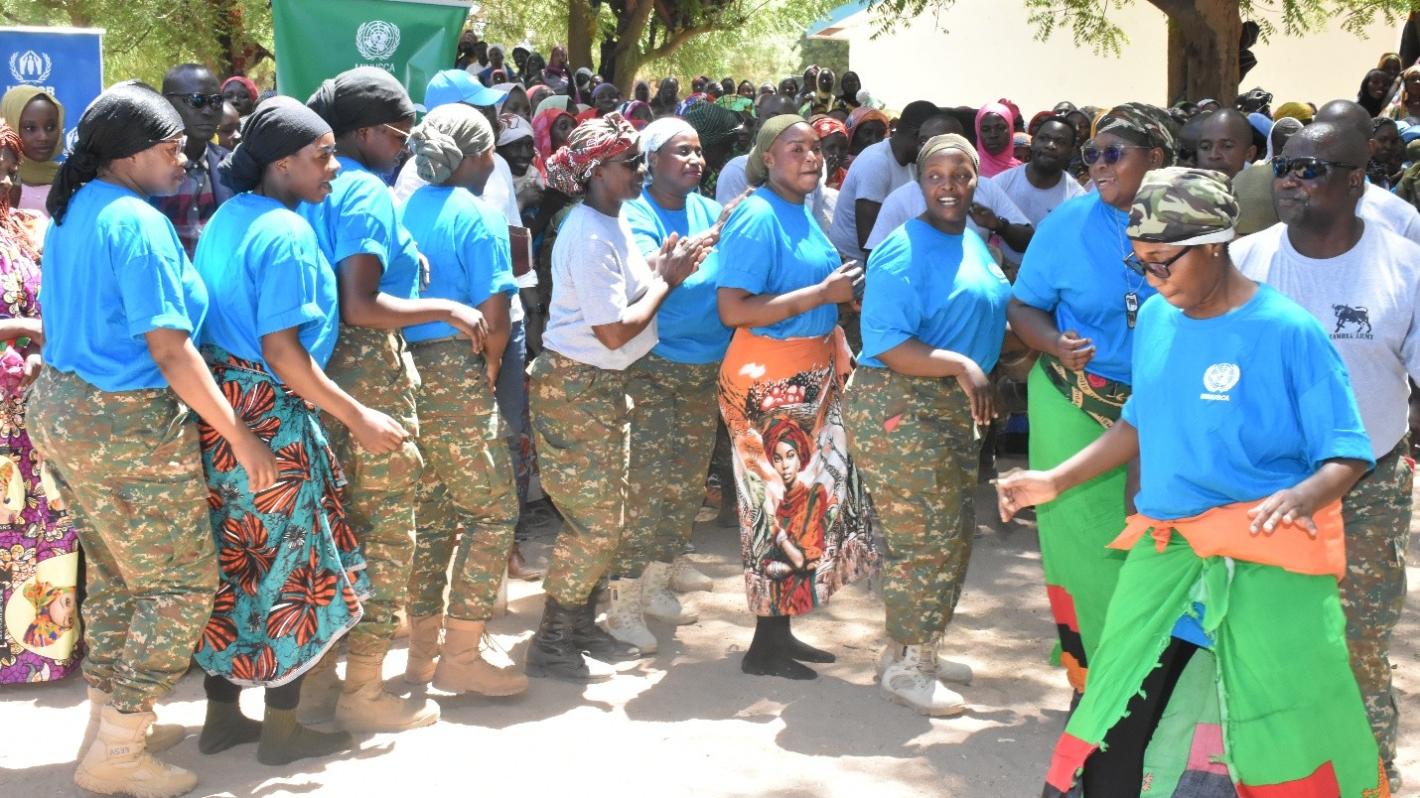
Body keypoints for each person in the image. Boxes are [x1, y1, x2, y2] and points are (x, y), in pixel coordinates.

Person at [999, 166, 1387, 798]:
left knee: (1280, 729)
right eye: (1141, 263)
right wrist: (1056, 479)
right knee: (1116, 711)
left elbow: (1347, 453)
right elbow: (1139, 422)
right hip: (1167, 551)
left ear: (1214, 245)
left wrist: (1302, 496)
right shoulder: (1158, 318)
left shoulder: (1288, 332)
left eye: (1162, 262)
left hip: (1262, 558)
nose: (1151, 279)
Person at [32, 80, 278, 798]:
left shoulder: (76, 208)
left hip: (65, 411)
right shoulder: (135, 222)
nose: (183, 159)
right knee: (179, 586)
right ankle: (118, 749)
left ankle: (107, 723)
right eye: (170, 148)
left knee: (118, 579)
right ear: (131, 153)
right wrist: (239, 435)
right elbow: (171, 350)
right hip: (125, 420)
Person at [190, 96, 394, 765]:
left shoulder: (228, 217)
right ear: (282, 163)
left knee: (238, 566)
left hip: (223, 410)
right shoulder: (286, 232)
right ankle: (283, 730)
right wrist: (358, 416)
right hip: (269, 419)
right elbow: (284, 353)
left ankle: (222, 718)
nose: (334, 167)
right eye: (322, 155)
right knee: (293, 570)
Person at [1234, 121, 1420, 793]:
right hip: (1263, 487)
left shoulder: (1406, 266)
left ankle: (1369, 780)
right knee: (1262, 643)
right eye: (1285, 166)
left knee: (1357, 646)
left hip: (1367, 487)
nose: (1290, 180)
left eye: (1311, 169)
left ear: (1355, 180)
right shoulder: (1244, 261)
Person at [296, 66, 461, 733]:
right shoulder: (363, 190)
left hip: (318, 374)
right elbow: (360, 304)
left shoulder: (312, 184)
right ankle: (363, 692)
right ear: (363, 132)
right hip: (367, 374)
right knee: (388, 534)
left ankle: (316, 686)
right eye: (399, 134)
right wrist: (445, 308)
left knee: (332, 531)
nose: (405, 147)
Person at [524, 113, 705, 681]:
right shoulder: (587, 231)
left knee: (607, 517)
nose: (639, 170)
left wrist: (663, 265)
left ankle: (578, 626)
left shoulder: (612, 219)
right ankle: (551, 641)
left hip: (600, 385)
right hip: (576, 385)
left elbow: (623, 286)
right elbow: (612, 329)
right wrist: (668, 281)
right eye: (629, 162)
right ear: (598, 171)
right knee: (596, 523)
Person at [1006, 103, 1171, 698]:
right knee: (1080, 548)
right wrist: (1054, 341)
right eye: (1092, 154)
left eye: (1113, 154)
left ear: (1155, 160)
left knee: (1157, 540)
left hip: (1162, 412)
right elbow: (1022, 306)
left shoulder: (1186, 227)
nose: (1099, 165)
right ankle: (1092, 680)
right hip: (1074, 402)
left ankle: (1151, 676)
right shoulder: (1067, 224)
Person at [845, 133, 1009, 715]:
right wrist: (965, 365)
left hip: (951, 407)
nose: (948, 186)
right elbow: (887, 344)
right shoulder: (901, 249)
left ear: (976, 180)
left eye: (960, 175)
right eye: (935, 176)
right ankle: (911, 667)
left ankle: (913, 649)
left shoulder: (970, 238)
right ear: (918, 182)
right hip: (902, 402)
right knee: (926, 538)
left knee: (953, 531)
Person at [715, 114, 879, 680]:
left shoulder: (800, 209)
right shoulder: (757, 215)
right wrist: (823, 294)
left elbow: (811, 292)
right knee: (775, 505)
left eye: (816, 148)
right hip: (768, 382)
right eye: (796, 149)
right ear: (767, 158)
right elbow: (733, 308)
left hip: (809, 372)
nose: (812, 157)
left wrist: (834, 321)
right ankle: (763, 647)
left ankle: (779, 631)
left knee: (803, 503)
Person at [396, 104, 529, 696]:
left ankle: (422, 657)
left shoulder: (405, 209)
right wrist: (491, 365)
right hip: (458, 364)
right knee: (493, 511)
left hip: (407, 368)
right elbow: (494, 313)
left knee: (432, 515)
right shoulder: (479, 215)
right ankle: (463, 655)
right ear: (478, 156)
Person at [612, 118, 732, 652]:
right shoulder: (634, 213)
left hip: (706, 367)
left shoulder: (707, 209)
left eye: (699, 152)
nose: (695, 160)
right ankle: (621, 603)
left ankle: (658, 583)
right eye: (682, 151)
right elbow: (655, 270)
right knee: (644, 486)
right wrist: (714, 236)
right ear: (651, 159)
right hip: (653, 366)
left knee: (684, 483)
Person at [0, 120, 79, 687]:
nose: (7, 181)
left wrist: (36, 349)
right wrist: (26, 330)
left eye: (11, 170)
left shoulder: (24, 231)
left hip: (31, 412)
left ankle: (42, 660)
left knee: (46, 530)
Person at [865, 116, 1034, 268]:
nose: (929, 149)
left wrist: (998, 225)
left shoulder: (986, 188)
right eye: (923, 141)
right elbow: (874, 260)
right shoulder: (900, 199)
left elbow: (1026, 240)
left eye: (941, 142)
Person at [829, 100, 939, 262]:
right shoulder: (876, 162)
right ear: (919, 137)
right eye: (933, 143)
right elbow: (869, 244)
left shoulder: (913, 164)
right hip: (853, 264)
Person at [155, 64, 235, 257]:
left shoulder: (231, 166)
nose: (208, 111)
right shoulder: (145, 169)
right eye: (196, 100)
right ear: (167, 104)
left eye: (216, 101)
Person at [989, 115, 1086, 227]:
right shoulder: (1000, 184)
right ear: (1033, 142)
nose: (1050, 145)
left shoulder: (1077, 198)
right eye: (1044, 138)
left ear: (1071, 151)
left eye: (1060, 142)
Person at [1234, 116, 1303, 236]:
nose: (1288, 153)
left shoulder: (1313, 177)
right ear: (1271, 146)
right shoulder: (1253, 176)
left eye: (1295, 146)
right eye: (1282, 147)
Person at [0, 87, 63, 215]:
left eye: (50, 127)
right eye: (30, 128)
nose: (43, 137)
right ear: (10, 126)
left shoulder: (70, 181)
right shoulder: (4, 182)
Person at [1194, 108, 1257, 179]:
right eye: (1205, 147)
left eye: (1227, 146)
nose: (1213, 155)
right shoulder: (1186, 183)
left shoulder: (1263, 184)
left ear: (1249, 154)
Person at [975, 102, 1020, 178]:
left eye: (1000, 128)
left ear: (1011, 129)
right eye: (985, 129)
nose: (993, 135)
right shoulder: (968, 166)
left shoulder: (1021, 172)